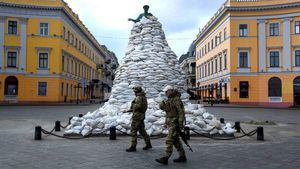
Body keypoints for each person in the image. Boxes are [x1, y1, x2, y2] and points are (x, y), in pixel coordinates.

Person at [155, 85, 187, 165]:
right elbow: (168, 112)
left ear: (170, 91)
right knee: (176, 141)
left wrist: (180, 124)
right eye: (165, 92)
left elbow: (181, 112)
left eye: (166, 91)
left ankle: (165, 158)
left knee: (169, 140)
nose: (165, 93)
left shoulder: (176, 99)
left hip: (175, 123)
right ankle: (182, 156)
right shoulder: (170, 99)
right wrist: (166, 122)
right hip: (171, 122)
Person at [126, 86, 152, 152]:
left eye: (134, 91)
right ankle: (148, 144)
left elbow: (138, 106)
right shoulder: (143, 97)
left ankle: (133, 146)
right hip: (141, 115)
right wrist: (130, 110)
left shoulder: (139, 97)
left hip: (137, 116)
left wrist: (133, 106)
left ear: (136, 91)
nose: (134, 93)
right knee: (142, 131)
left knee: (133, 131)